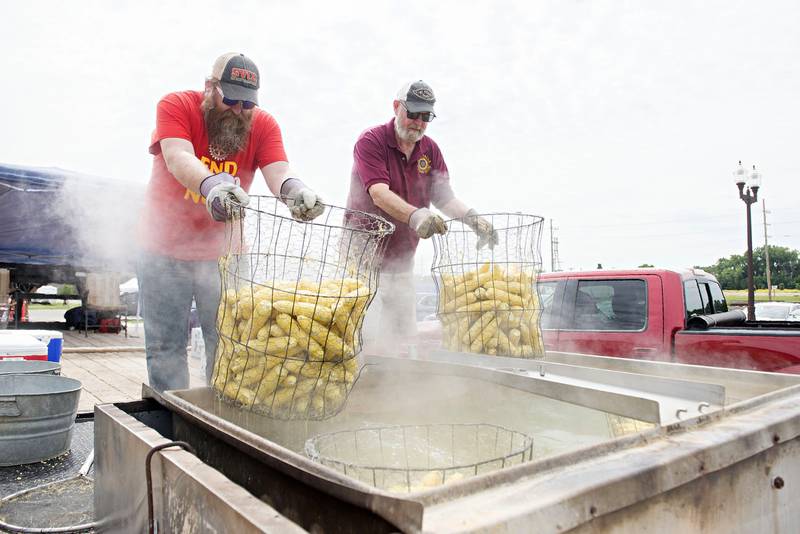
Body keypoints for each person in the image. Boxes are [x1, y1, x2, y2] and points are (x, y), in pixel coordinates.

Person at [137, 52, 323, 392]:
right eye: (232, 99)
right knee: (166, 350)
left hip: (226, 257)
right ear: (210, 87)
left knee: (230, 346)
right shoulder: (176, 105)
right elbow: (178, 156)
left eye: (247, 104)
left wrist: (297, 191)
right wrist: (211, 187)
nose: (239, 110)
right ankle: (172, 420)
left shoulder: (263, 124)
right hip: (163, 252)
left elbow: (278, 170)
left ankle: (220, 422)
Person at [346, 80, 497, 354]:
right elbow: (378, 193)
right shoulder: (371, 141)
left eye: (425, 117)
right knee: (363, 336)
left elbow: (445, 198)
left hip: (402, 261)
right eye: (413, 113)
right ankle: (361, 389)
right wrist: (416, 216)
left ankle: (397, 389)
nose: (418, 122)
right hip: (363, 259)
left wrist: (474, 219)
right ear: (396, 107)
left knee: (402, 338)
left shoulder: (430, 151)